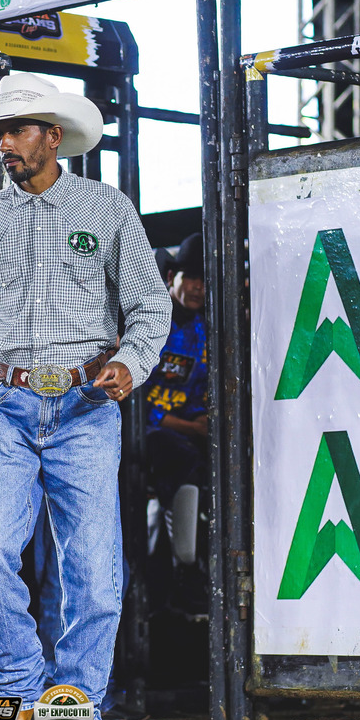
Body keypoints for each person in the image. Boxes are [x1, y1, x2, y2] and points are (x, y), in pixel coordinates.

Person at [0, 73, 170, 720]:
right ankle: (20, 694)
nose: (5, 143)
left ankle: (76, 717)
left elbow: (150, 306)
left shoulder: (107, 209)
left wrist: (133, 362)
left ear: (53, 137)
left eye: (16, 130)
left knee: (92, 571)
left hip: (88, 406)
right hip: (5, 404)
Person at [143, 233, 209, 613]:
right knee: (183, 457)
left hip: (188, 430)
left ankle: (194, 566)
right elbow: (139, 400)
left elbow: (203, 389)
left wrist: (202, 418)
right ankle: (186, 568)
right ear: (172, 278)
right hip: (152, 434)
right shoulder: (152, 322)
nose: (198, 287)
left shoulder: (204, 329)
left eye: (203, 279)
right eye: (191, 277)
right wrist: (189, 428)